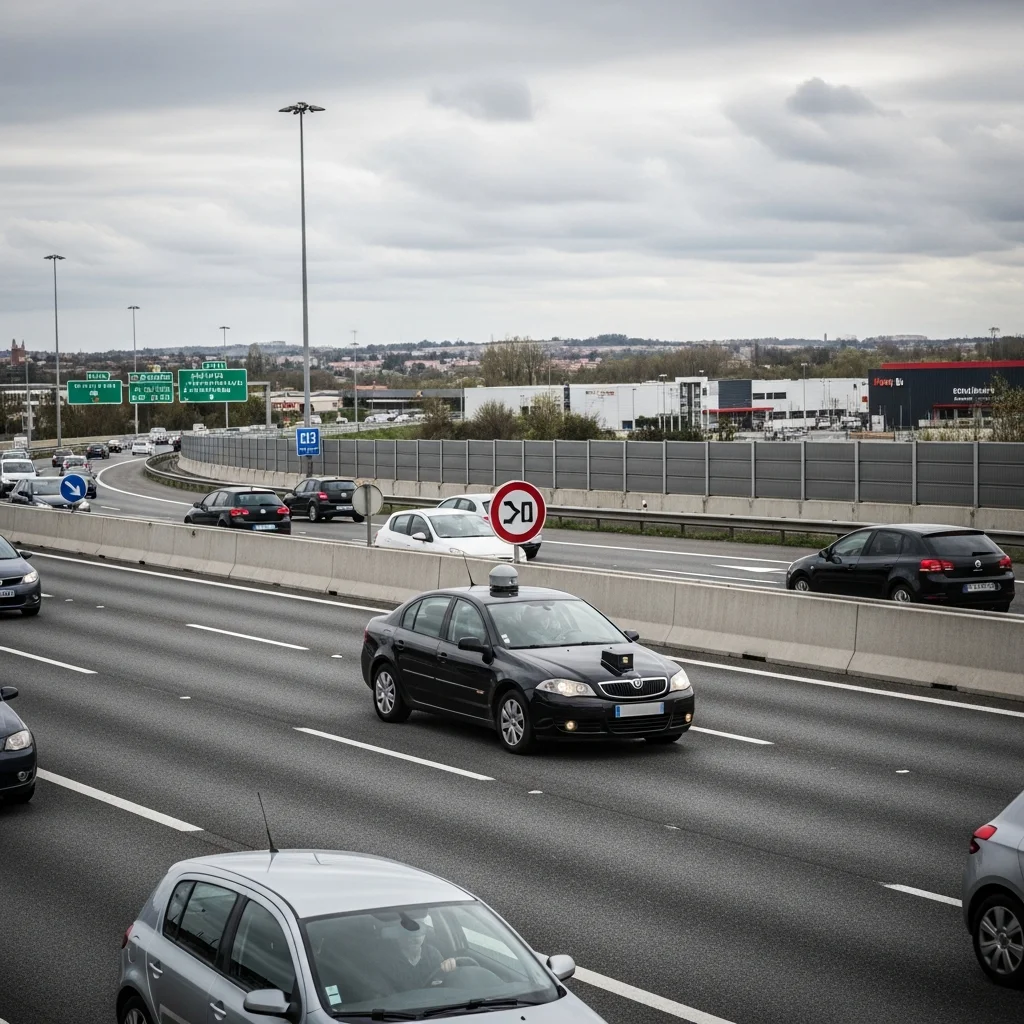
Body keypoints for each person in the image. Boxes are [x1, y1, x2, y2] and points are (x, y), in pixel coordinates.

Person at [384, 920, 457, 990]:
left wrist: (450, 964)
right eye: (408, 935)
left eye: (418, 935)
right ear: (399, 937)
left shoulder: (432, 953)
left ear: (424, 936)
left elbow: (443, 976)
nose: (413, 939)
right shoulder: (388, 960)